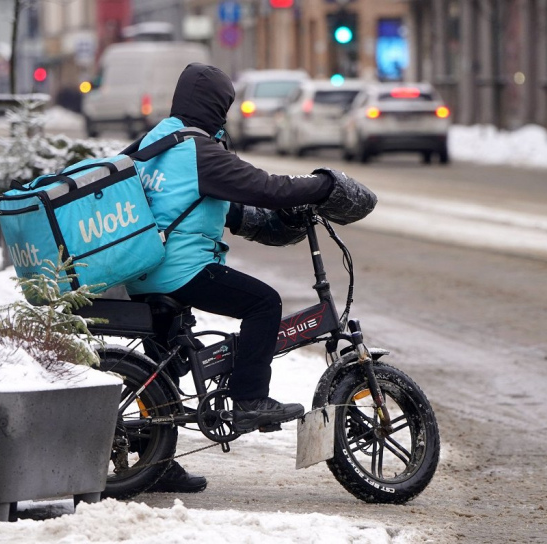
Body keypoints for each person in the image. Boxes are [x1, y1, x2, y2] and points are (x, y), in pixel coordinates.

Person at [124, 63, 375, 493]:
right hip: (180, 271)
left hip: (142, 273)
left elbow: (192, 201)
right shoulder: (198, 150)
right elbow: (265, 187)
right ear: (217, 105)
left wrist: (252, 221)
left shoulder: (154, 141)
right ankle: (248, 399)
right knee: (263, 303)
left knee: (163, 373)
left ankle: (156, 462)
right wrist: (320, 185)